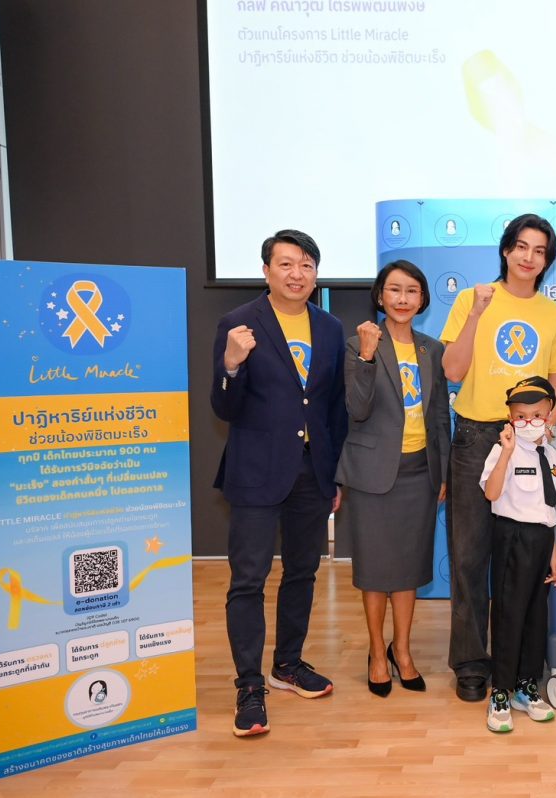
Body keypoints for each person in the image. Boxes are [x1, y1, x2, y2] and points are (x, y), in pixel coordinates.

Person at [211, 229, 348, 737]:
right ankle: (249, 685)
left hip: (312, 472)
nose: (297, 273)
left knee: (303, 572)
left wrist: (333, 473)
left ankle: (287, 665)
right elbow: (223, 407)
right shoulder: (238, 324)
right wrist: (230, 364)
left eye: (307, 265)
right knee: (247, 580)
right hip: (255, 472)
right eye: (287, 264)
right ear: (266, 270)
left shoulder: (329, 327)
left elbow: (333, 409)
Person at [441, 214, 556, 702]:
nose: (528, 257)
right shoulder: (472, 299)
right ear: (505, 250)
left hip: (527, 442)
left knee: (522, 559)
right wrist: (477, 315)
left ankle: (517, 665)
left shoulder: (554, 316)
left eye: (539, 251)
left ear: (547, 261)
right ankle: (472, 663)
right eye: (521, 246)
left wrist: (540, 434)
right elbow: (453, 371)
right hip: (477, 437)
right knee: (470, 557)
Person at [335, 260, 450, 697]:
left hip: (420, 473)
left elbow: (439, 416)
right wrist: (366, 356)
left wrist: (442, 470)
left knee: (408, 568)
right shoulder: (358, 344)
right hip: (373, 474)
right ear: (380, 296)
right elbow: (357, 408)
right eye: (395, 290)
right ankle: (376, 654)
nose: (403, 299)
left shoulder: (431, 349)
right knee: (375, 570)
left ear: (422, 299)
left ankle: (402, 650)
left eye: (412, 291)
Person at [479, 377, 556, 732]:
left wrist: (553, 553)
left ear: (549, 414)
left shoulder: (553, 456)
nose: (530, 422)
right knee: (508, 615)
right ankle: (500, 691)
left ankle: (527, 685)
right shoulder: (504, 451)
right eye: (521, 416)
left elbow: (549, 507)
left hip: (542, 540)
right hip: (512, 537)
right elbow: (491, 493)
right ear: (510, 418)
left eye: (537, 415)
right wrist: (506, 452)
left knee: (535, 617)